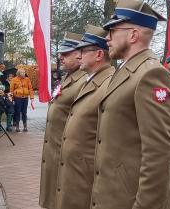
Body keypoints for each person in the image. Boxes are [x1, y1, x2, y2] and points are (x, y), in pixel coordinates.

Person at [90, 1, 170, 209]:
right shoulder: (127, 70)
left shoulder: (151, 75)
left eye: (112, 30)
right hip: (113, 195)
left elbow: (158, 153)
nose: (107, 38)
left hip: (130, 201)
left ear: (133, 35)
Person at [54, 25, 114, 209]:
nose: (78, 55)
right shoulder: (90, 80)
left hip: (86, 173)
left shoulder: (108, 83)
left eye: (82, 51)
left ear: (98, 55)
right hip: (74, 170)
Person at [39, 32, 87, 209]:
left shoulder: (83, 81)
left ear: (79, 53)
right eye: (61, 54)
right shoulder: (68, 78)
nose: (61, 57)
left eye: (66, 54)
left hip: (66, 155)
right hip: (55, 152)